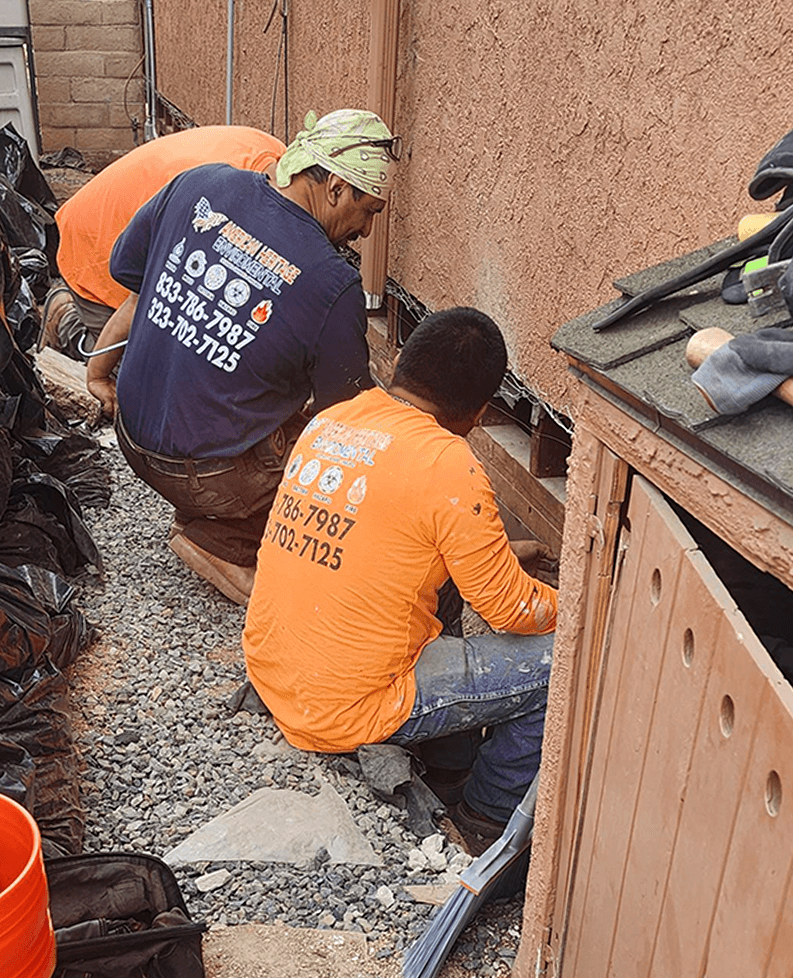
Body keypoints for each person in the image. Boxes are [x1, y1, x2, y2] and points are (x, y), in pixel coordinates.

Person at [242, 306, 559, 851]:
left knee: (450, 582)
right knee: (562, 662)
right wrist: (578, 602)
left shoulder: (333, 420)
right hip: (348, 706)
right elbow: (511, 610)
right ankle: (485, 822)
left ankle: (448, 764)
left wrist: (496, 553)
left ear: (403, 368)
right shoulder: (447, 463)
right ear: (480, 412)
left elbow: (384, 534)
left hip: (278, 672)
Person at [86, 109, 399, 604]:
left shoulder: (201, 185)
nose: (365, 231)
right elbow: (346, 422)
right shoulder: (331, 281)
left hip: (133, 440)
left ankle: (213, 508)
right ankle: (224, 544)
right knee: (353, 475)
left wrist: (98, 371)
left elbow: (138, 288)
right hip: (205, 476)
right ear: (336, 188)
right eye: (369, 211)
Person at [43, 125, 286, 359]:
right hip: (96, 240)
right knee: (140, 375)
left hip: (130, 217)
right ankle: (64, 318)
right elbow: (158, 296)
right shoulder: (226, 200)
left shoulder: (277, 157)